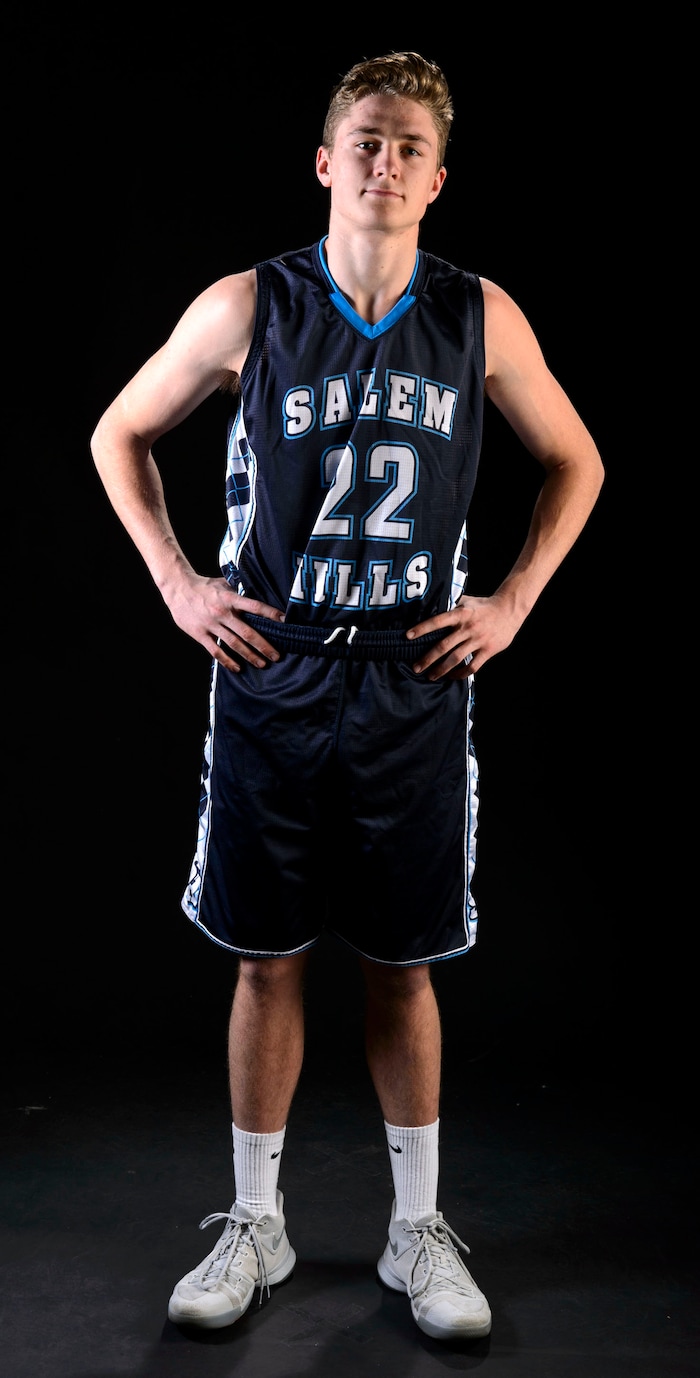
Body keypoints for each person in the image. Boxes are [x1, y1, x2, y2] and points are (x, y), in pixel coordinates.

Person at [90, 50, 604, 1344]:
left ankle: (413, 1228)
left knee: (403, 964)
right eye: (364, 139)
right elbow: (119, 432)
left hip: (413, 676)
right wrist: (177, 583)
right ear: (326, 160)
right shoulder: (249, 305)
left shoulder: (479, 314)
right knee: (268, 959)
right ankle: (256, 1222)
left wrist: (513, 601)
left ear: (438, 179)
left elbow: (577, 462)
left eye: (408, 147)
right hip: (275, 668)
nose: (385, 161)